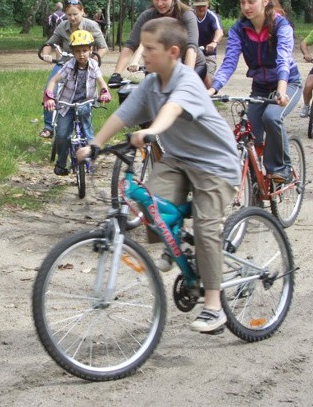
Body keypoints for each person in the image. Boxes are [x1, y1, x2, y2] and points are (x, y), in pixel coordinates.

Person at [77, 17, 240, 334]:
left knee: (207, 229)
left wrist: (151, 131)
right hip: (179, 159)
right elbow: (122, 116)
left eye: (150, 49)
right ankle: (174, 242)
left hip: (215, 164)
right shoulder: (150, 84)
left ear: (173, 52)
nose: (143, 55)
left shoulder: (187, 81)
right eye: (142, 48)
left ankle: (214, 306)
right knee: (146, 198)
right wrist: (94, 145)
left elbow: (172, 110)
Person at [208, 0, 302, 183]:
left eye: (251, 1)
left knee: (272, 117)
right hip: (260, 86)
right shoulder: (238, 29)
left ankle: (281, 168)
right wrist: (212, 90)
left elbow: (283, 59)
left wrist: (282, 90)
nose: (246, 7)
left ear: (265, 0)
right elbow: (229, 62)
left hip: (288, 83)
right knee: (251, 134)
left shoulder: (280, 26)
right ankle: (255, 182)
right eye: (242, 2)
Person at [113, 0, 206, 82]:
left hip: (192, 64)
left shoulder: (187, 15)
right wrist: (116, 73)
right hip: (161, 66)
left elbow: (191, 48)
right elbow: (130, 45)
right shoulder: (148, 15)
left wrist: (185, 79)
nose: (159, 3)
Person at [43, 30, 111, 176]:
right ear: (72, 52)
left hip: (85, 103)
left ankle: (91, 160)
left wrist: (104, 92)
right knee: (62, 135)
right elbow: (54, 81)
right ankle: (61, 164)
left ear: (91, 50)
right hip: (66, 104)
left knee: (88, 134)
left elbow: (101, 82)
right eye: (78, 51)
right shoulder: (68, 66)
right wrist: (49, 96)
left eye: (85, 50)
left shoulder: (93, 65)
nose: (82, 54)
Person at [39, 0, 108, 138]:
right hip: (65, 63)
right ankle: (48, 126)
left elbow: (103, 47)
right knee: (50, 87)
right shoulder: (62, 26)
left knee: (86, 92)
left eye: (75, 14)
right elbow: (50, 44)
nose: (72, 17)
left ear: (82, 12)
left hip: (85, 62)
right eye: (69, 15)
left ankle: (84, 124)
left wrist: (92, 60)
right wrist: (46, 54)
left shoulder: (92, 25)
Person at [192, 0, 224, 88]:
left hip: (208, 54)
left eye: (203, 6)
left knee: (208, 81)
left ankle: (208, 100)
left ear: (208, 4)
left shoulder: (212, 17)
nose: (201, 8)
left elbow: (219, 31)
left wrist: (214, 43)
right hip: (192, 53)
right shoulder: (190, 16)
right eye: (198, 6)